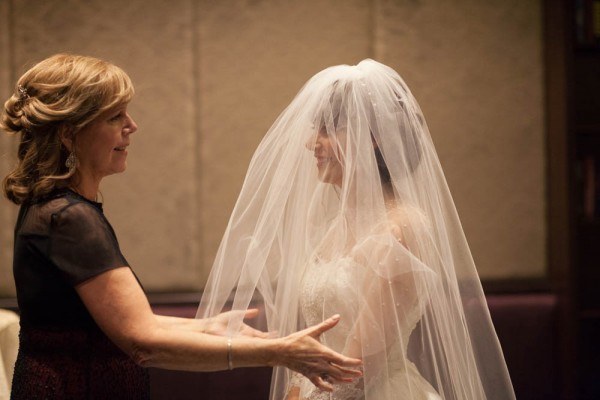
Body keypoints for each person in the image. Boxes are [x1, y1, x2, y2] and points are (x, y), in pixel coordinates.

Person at [1, 53, 363, 400]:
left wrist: (205, 327)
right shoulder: (67, 218)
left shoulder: (61, 209)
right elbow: (142, 342)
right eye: (115, 117)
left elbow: (107, 324)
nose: (132, 126)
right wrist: (278, 352)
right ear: (69, 133)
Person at [197, 59, 516, 399]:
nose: (310, 143)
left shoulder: (401, 228)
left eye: (326, 130)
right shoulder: (336, 225)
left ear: (375, 139)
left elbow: (355, 372)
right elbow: (319, 347)